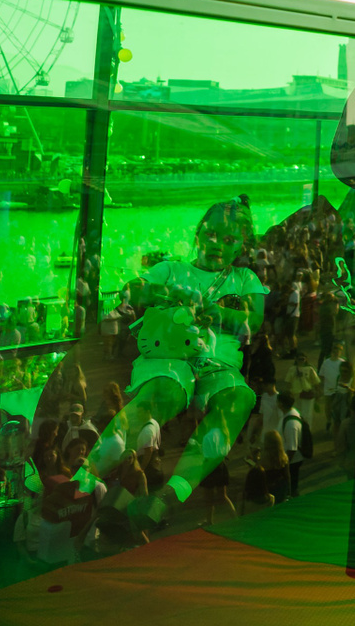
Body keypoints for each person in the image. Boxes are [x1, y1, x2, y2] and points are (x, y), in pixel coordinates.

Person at [79, 199, 267, 524]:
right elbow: (132, 290)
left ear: (240, 246)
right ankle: (85, 479)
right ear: (198, 235)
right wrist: (165, 292)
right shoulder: (172, 269)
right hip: (171, 357)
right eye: (211, 235)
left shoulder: (244, 278)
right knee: (162, 393)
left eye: (228, 240)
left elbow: (255, 318)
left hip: (217, 365)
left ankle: (169, 494)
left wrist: (217, 312)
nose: (217, 245)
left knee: (239, 398)